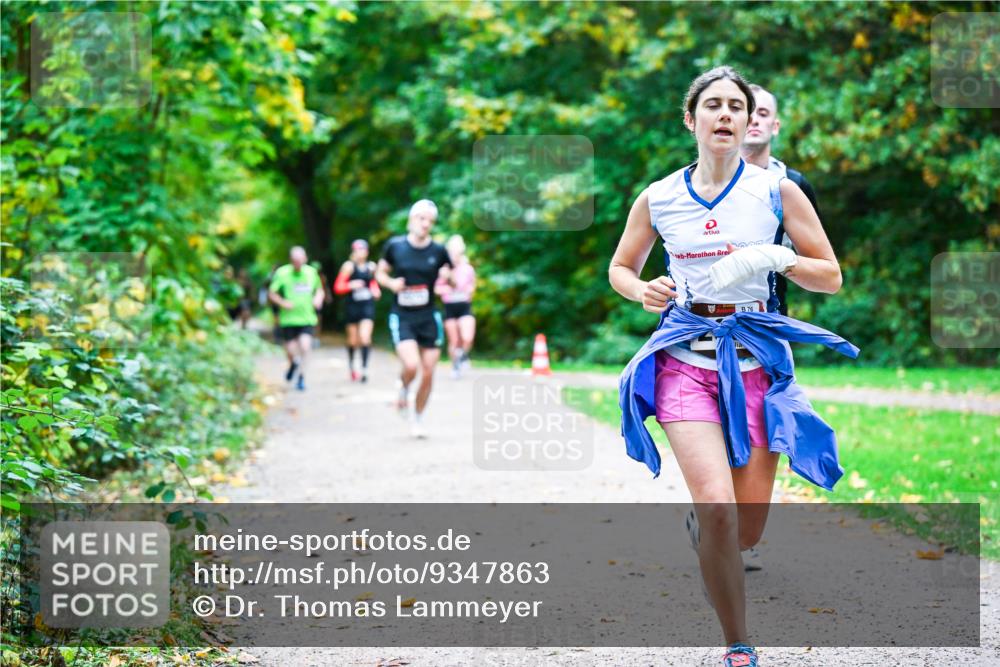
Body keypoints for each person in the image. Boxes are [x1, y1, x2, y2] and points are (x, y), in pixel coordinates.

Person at [610, 66, 858, 667]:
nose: (725, 115)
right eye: (713, 105)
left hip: (756, 362)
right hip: (685, 359)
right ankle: (738, 644)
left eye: (736, 106)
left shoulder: (777, 191)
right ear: (690, 120)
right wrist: (640, 289)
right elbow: (621, 267)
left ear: (750, 122)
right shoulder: (660, 196)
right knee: (718, 507)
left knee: (744, 528)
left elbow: (830, 276)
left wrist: (773, 256)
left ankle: (714, 535)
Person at [740, 83, 822, 317]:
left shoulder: (793, 185)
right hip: (704, 319)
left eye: (763, 113)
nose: (754, 120)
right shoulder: (702, 183)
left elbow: (820, 267)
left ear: (775, 126)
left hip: (771, 313)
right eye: (748, 113)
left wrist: (772, 258)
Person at [376, 199, 452, 439]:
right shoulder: (395, 246)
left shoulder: (438, 251)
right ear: (411, 220)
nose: (426, 224)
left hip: (428, 316)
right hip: (403, 316)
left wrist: (446, 280)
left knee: (429, 372)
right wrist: (390, 284)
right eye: (422, 218)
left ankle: (417, 417)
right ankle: (403, 387)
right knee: (411, 365)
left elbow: (448, 274)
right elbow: (380, 272)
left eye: (430, 221)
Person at [268, 246, 325, 391]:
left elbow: (319, 289)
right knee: (291, 350)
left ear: (305, 259)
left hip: (307, 318)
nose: (298, 264)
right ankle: (294, 364)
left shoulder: (311, 272)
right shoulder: (282, 273)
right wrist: (283, 303)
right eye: (295, 261)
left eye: (300, 260)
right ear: (291, 261)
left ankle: (301, 378)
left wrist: (318, 299)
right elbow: (272, 293)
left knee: (305, 346)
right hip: (288, 319)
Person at [334, 239, 381, 382]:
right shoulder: (348, 267)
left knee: (365, 337)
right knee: (353, 340)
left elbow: (373, 283)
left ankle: (364, 369)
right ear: (353, 251)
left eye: (364, 250)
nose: (361, 252)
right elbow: (338, 287)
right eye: (358, 250)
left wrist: (375, 291)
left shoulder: (371, 267)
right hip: (352, 307)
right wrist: (350, 285)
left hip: (367, 306)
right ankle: (352, 365)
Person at [435, 234, 477, 378]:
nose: (454, 256)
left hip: (464, 306)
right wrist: (446, 289)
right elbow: (436, 289)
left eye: (457, 253)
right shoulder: (444, 270)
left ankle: (462, 355)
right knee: (454, 340)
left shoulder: (468, 269)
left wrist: (469, 291)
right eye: (452, 253)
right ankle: (455, 366)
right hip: (450, 307)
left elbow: (472, 286)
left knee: (467, 338)